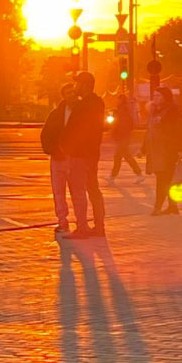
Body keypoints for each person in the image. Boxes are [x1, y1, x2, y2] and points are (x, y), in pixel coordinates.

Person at [63, 71, 106, 239]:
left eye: (77, 84)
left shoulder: (85, 105)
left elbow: (77, 130)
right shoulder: (96, 103)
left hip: (82, 154)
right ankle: (98, 225)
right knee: (92, 188)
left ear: (85, 85)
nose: (75, 87)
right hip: (91, 153)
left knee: (80, 190)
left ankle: (84, 227)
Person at [141, 87, 182, 215]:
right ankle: (173, 206)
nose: (156, 98)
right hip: (157, 151)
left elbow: (179, 130)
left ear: (166, 97)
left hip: (168, 150)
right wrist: (143, 149)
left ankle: (158, 207)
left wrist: (180, 148)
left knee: (162, 179)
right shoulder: (154, 111)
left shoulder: (172, 110)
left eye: (159, 96)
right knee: (166, 179)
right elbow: (149, 131)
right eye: (154, 96)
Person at [41, 82, 78, 233]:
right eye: (68, 93)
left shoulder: (82, 112)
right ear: (63, 96)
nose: (72, 95)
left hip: (76, 158)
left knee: (77, 191)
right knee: (58, 191)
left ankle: (81, 221)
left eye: (73, 92)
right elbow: (45, 135)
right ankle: (62, 220)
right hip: (58, 158)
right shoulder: (55, 114)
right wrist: (52, 150)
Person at [107, 93, 144, 183]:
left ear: (121, 101)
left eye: (118, 99)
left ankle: (113, 176)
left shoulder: (122, 111)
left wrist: (116, 132)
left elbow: (121, 124)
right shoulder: (122, 110)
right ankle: (137, 174)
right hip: (123, 137)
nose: (116, 101)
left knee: (120, 156)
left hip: (122, 137)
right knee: (122, 156)